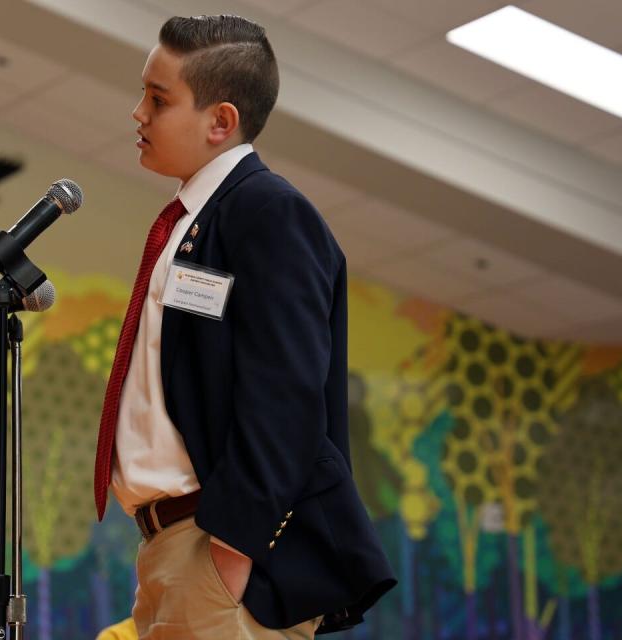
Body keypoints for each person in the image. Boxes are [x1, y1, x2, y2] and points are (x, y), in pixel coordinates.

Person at [93, 14, 397, 638]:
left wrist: (232, 552)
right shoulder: (190, 221)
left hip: (222, 553)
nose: (138, 114)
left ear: (221, 122)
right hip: (173, 545)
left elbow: (285, 397)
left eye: (157, 99)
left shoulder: (270, 213)